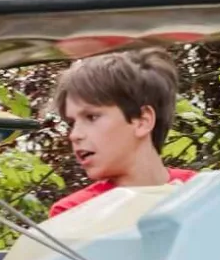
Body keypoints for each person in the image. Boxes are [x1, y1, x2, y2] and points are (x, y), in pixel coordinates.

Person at [48, 48, 196, 218]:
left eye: (91, 117)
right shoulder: (74, 213)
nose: (74, 135)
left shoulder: (206, 194)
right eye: (72, 123)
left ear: (142, 120)